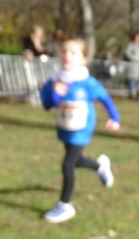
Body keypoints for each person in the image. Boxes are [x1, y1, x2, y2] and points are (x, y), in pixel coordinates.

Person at [40, 38, 121, 224]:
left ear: (83, 59)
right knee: (77, 161)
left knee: (67, 165)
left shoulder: (87, 82)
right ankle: (100, 167)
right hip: (65, 128)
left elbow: (105, 99)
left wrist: (115, 118)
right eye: (64, 51)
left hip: (82, 129)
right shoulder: (55, 80)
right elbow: (46, 104)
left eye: (73, 52)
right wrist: (56, 94)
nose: (67, 55)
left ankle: (64, 205)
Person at [124, 32, 139, 98]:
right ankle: (132, 95)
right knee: (132, 81)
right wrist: (135, 58)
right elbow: (128, 53)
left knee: (138, 82)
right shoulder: (131, 45)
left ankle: (137, 95)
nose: (138, 39)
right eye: (137, 37)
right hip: (133, 67)